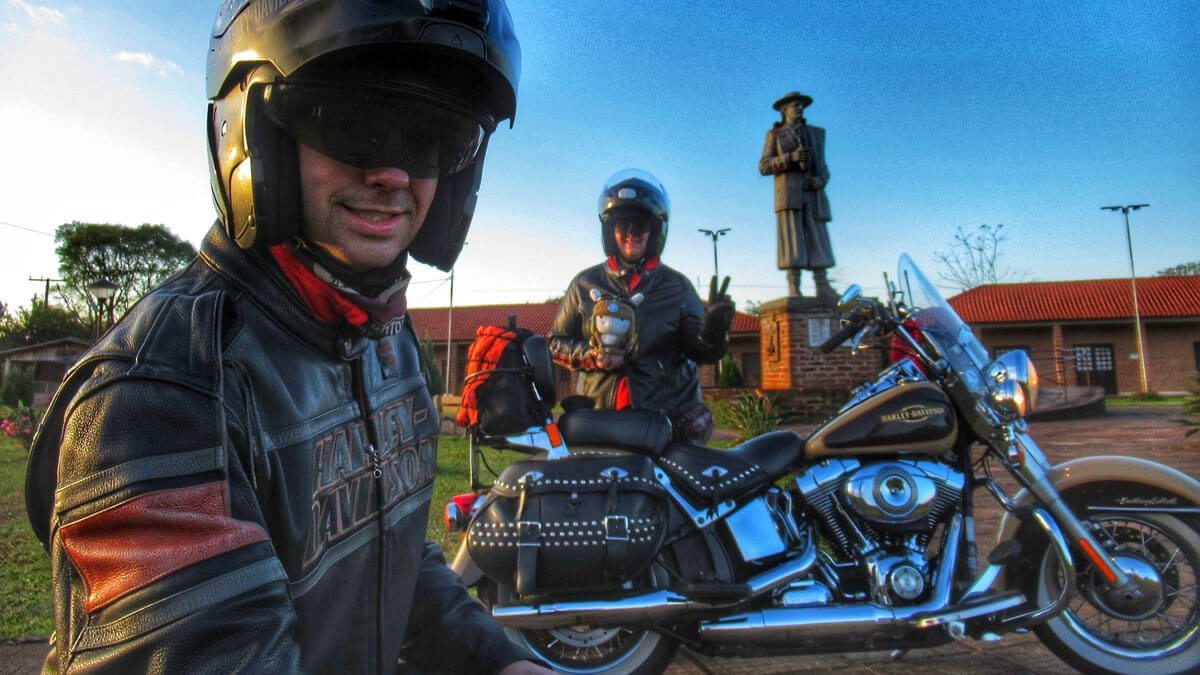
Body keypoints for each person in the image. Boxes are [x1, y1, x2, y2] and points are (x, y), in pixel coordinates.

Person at [24, 2, 550, 672]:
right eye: (353, 122)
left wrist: (497, 660)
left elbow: (392, 554)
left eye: (431, 136)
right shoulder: (163, 391)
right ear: (257, 129)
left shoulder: (385, 337)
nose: (392, 174)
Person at [548, 169, 734, 443]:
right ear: (611, 230)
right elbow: (556, 342)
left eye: (641, 226)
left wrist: (714, 332)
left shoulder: (677, 287)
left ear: (655, 230)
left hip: (667, 419)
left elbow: (703, 352)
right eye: (623, 225)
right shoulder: (584, 285)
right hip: (600, 416)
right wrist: (591, 355)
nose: (631, 234)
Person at [758, 91, 836, 300]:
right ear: (784, 110)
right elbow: (764, 166)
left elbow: (825, 168)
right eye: (795, 105)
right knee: (792, 241)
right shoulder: (774, 135)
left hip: (813, 194)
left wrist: (820, 180)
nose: (799, 108)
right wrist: (789, 158)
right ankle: (794, 285)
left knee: (817, 239)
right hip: (789, 195)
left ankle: (823, 285)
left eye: (801, 105)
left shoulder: (816, 134)